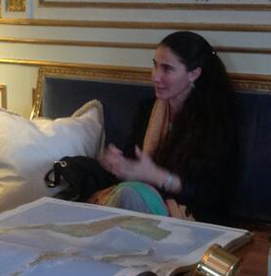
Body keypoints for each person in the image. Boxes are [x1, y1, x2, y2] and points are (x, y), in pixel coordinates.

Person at [94, 31, 236, 223]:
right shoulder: (148, 109)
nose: (155, 76)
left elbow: (213, 194)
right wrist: (116, 164)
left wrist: (159, 176)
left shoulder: (215, 117)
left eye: (167, 69)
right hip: (144, 200)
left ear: (194, 73)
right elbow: (133, 163)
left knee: (129, 194)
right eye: (155, 65)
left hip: (193, 214)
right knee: (126, 194)